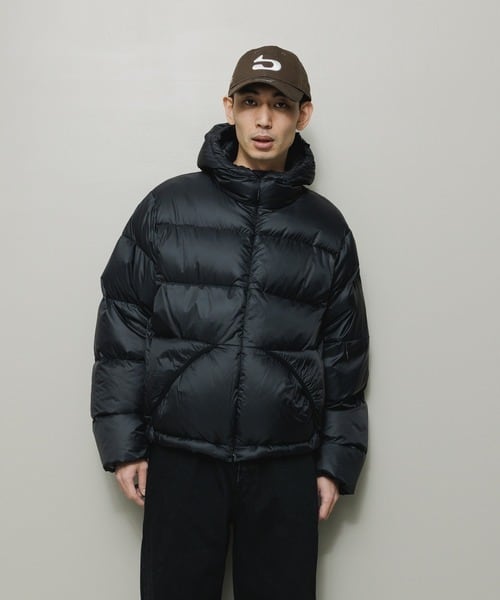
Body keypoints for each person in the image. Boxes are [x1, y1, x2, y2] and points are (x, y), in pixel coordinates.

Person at [91, 45, 369, 600]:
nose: (264, 120)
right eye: (250, 102)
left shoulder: (326, 229)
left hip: (285, 463)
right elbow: (122, 324)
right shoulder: (167, 208)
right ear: (229, 108)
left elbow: (345, 353)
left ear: (303, 115)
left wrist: (335, 462)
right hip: (181, 456)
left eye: (280, 105)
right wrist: (124, 444)